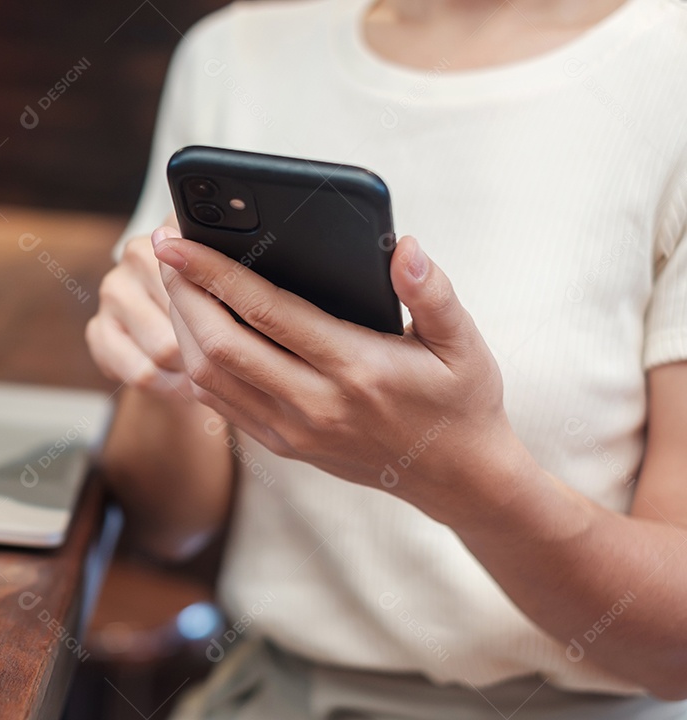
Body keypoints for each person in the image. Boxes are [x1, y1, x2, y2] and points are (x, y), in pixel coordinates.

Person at [86, 0, 687, 717]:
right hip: (280, 693)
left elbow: (674, 654)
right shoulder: (237, 51)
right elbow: (170, 521)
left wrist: (465, 478)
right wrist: (168, 358)